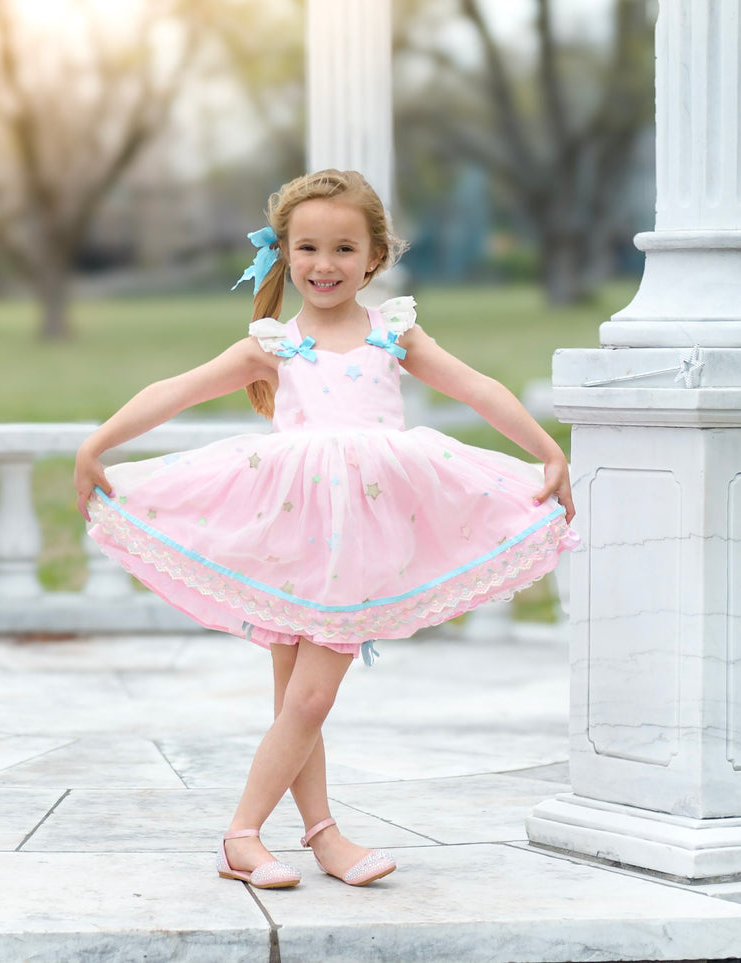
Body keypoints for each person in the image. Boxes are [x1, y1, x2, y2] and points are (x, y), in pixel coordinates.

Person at [73, 169, 577, 890]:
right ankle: (242, 835)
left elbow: (477, 387)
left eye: (343, 249)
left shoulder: (391, 332)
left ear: (374, 256)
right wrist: (97, 443)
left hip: (358, 538)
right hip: (289, 531)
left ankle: (319, 835)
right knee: (303, 701)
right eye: (306, 247)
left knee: (300, 701)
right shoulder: (273, 344)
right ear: (284, 253)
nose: (323, 264)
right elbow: (174, 390)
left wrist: (545, 448)